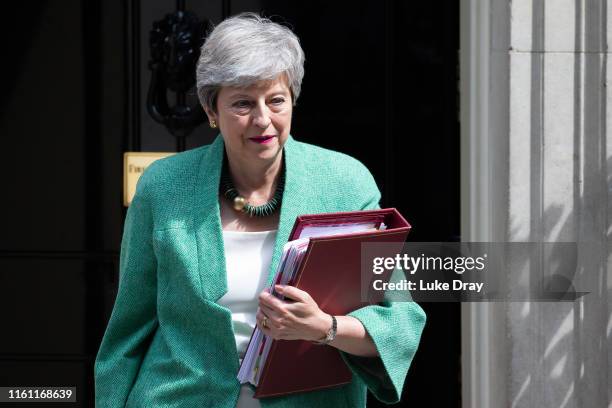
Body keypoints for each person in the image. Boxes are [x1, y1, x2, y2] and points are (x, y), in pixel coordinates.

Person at [94, 12, 425, 408]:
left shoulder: (345, 184)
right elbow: (128, 331)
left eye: (276, 100)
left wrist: (323, 328)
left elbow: (400, 323)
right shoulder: (164, 187)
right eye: (242, 103)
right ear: (210, 109)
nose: (263, 119)